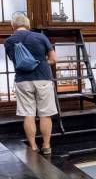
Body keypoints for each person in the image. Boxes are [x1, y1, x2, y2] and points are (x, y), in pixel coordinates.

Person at [4, 14, 57, 155]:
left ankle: (33, 147)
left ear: (13, 26)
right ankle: (46, 146)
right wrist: (42, 61)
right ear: (28, 25)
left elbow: (15, 60)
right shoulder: (41, 37)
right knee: (45, 114)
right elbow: (53, 59)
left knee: (28, 114)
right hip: (43, 78)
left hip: (23, 80)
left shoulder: (9, 41)